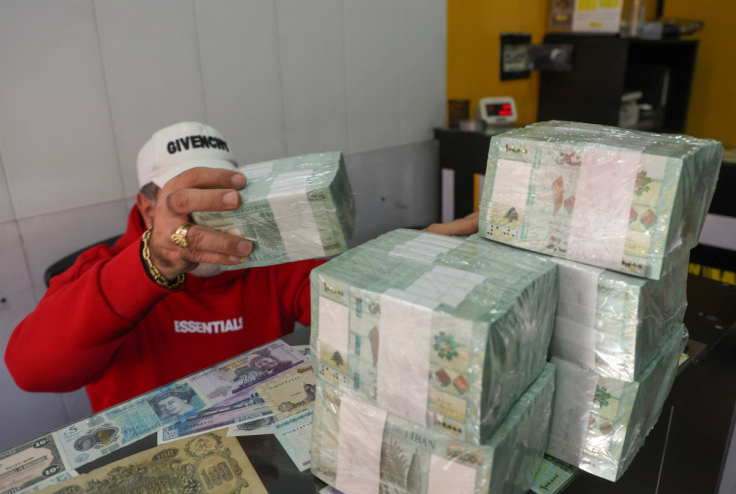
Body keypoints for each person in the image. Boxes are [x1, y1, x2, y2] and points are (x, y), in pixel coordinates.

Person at [5, 121, 479, 413]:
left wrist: (408, 255)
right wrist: (154, 263)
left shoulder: (268, 257)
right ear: (148, 208)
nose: (213, 220)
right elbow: (32, 371)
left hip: (265, 452)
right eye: (189, 203)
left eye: (222, 200)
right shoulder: (101, 272)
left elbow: (342, 296)